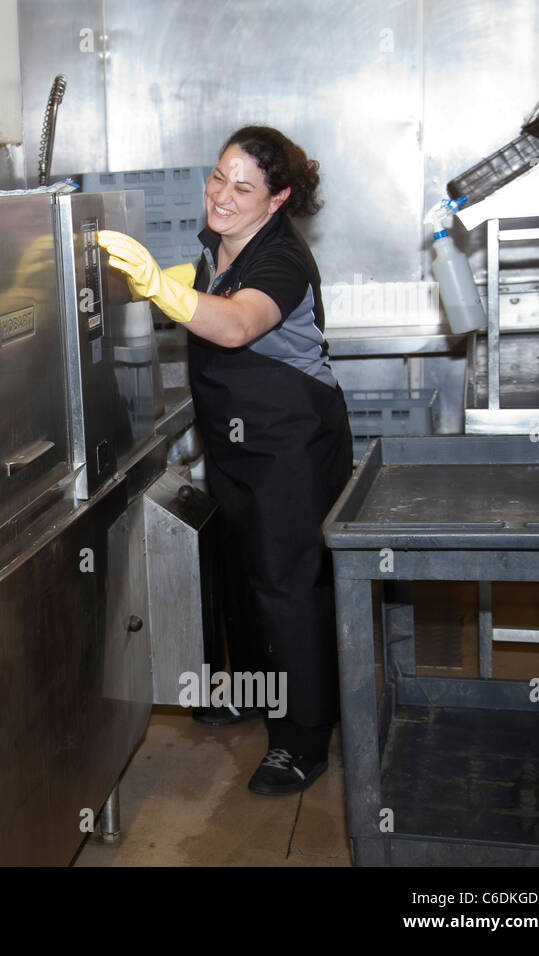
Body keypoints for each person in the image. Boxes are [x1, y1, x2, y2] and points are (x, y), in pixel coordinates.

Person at [99, 126, 352, 795]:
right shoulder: (220, 245)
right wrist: (176, 281)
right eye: (219, 177)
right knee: (243, 573)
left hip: (292, 444)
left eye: (244, 187)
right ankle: (256, 692)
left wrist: (159, 286)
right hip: (237, 441)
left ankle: (303, 742)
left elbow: (237, 324)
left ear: (278, 200)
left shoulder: (282, 260)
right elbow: (212, 293)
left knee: (288, 586)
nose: (223, 195)